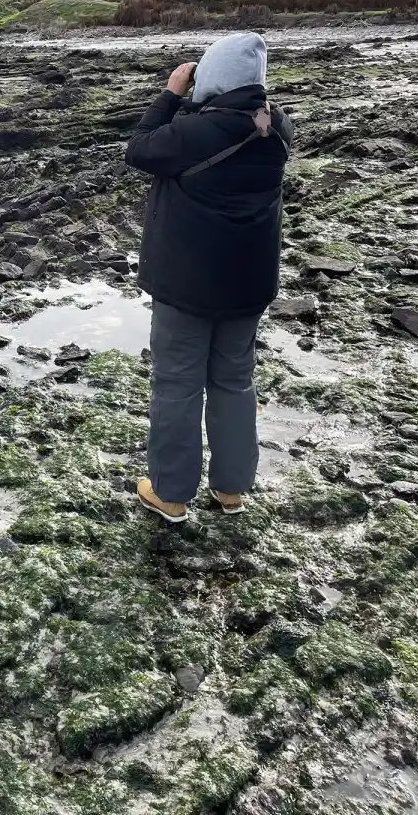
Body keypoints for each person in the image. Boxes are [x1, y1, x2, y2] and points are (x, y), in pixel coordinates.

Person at [125, 32, 292, 523]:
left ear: (213, 77)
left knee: (178, 384)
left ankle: (171, 493)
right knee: (235, 382)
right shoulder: (276, 125)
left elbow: (139, 149)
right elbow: (230, 122)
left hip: (188, 285)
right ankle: (231, 489)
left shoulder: (193, 132)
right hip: (249, 282)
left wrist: (171, 93)